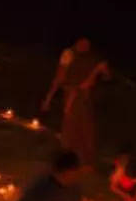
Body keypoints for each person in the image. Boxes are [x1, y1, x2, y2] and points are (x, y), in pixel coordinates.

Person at [41, 38, 109, 167]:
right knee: (71, 128)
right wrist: (48, 98)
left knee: (86, 128)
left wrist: (100, 71)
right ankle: (67, 160)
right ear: (76, 43)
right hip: (73, 96)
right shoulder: (69, 54)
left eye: (87, 44)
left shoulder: (93, 58)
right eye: (82, 43)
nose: (84, 46)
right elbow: (59, 78)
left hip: (87, 97)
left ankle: (83, 160)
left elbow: (106, 76)